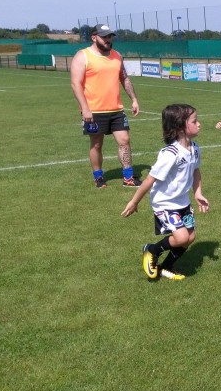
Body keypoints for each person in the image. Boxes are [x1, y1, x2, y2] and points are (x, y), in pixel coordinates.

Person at [122, 104, 209, 281]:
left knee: (190, 237)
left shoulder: (195, 148)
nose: (199, 124)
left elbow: (196, 171)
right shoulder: (170, 153)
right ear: (180, 127)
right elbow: (149, 179)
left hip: (183, 201)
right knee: (181, 237)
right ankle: (151, 250)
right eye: (194, 121)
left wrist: (198, 193)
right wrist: (134, 202)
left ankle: (166, 266)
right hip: (165, 203)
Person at [70, 23, 142, 188]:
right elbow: (75, 83)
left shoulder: (117, 56)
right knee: (96, 144)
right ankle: (98, 177)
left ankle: (128, 178)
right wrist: (85, 109)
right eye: (104, 37)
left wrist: (134, 99)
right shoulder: (83, 56)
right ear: (94, 37)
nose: (108, 39)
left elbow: (124, 78)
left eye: (110, 36)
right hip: (93, 111)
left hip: (116, 109)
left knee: (124, 140)